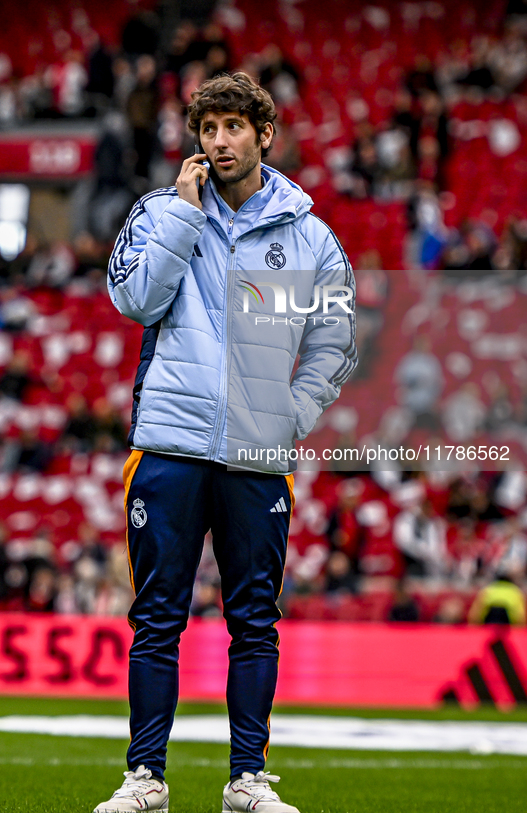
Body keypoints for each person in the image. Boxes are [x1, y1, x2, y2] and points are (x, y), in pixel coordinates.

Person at [94, 72, 357, 813]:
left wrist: (288, 414)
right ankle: (145, 779)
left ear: (263, 135)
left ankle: (247, 781)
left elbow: (335, 339)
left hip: (256, 455)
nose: (219, 143)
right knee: (156, 617)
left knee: (253, 621)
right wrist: (181, 217)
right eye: (208, 129)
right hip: (170, 445)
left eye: (234, 128)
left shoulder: (309, 234)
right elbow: (134, 300)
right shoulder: (157, 212)